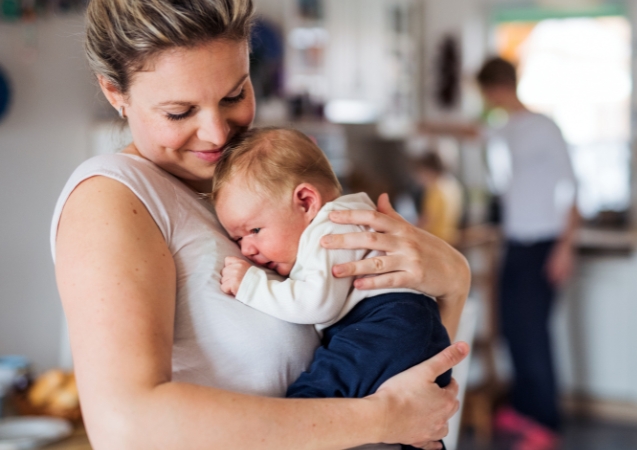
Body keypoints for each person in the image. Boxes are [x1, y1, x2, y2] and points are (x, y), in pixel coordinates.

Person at [51, 0, 471, 448]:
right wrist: (382, 420)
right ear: (115, 92)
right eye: (179, 112)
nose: (217, 133)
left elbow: (406, 377)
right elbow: (126, 428)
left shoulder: (247, 191)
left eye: (234, 95)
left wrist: (453, 282)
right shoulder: (113, 198)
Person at [211, 128, 451, 407]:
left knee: (317, 394)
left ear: (306, 202)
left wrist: (251, 285)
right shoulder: (339, 222)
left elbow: (315, 304)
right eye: (238, 239)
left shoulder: (332, 230)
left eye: (254, 230)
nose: (247, 249)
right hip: (399, 329)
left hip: (388, 324)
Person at [420, 57, 579, 450]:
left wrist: (565, 248)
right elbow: (471, 131)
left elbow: (573, 189)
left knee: (533, 335)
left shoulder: (544, 127)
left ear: (494, 89)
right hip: (516, 243)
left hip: (543, 245)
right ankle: (524, 409)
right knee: (512, 330)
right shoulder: (504, 127)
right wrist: (426, 126)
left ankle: (545, 422)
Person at [411, 152, 464, 245]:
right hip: (451, 238)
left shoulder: (435, 189)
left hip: (436, 241)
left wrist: (409, 230)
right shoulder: (452, 184)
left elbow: (427, 221)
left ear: (427, 170)